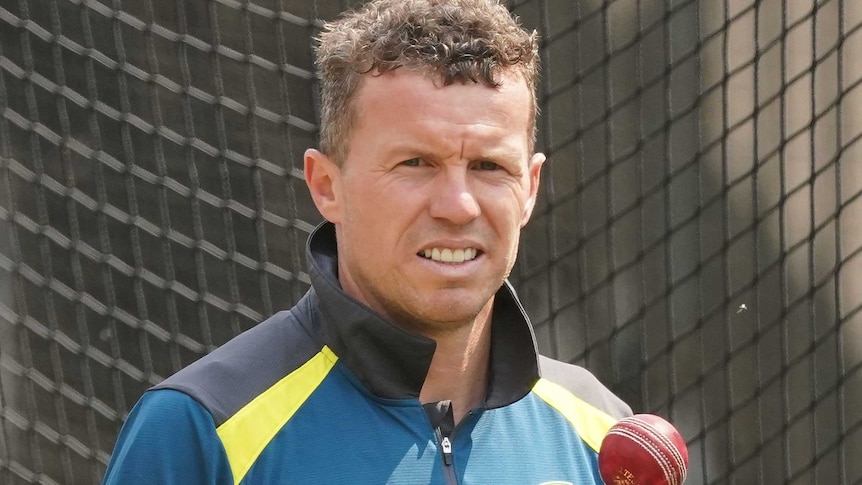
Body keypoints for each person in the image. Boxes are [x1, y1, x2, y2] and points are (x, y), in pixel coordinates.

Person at [101, 0, 632, 483]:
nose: (458, 205)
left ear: (530, 189)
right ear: (327, 187)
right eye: (416, 164)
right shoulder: (203, 429)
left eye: (489, 166)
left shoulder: (605, 437)